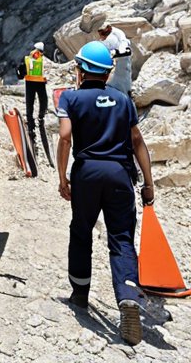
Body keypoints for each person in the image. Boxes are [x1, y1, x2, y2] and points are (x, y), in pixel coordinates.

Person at [57, 40, 154, 346]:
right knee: (122, 238)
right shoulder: (123, 100)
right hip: (120, 176)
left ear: (81, 69)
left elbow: (64, 137)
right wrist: (148, 183)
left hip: (86, 173)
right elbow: (137, 141)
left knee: (81, 232)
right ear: (109, 73)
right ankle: (127, 296)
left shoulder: (70, 99)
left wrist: (62, 177)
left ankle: (80, 294)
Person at [19, 40, 49, 148]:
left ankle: (30, 122)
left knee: (29, 102)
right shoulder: (40, 57)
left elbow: (22, 69)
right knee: (43, 100)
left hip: (29, 82)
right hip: (39, 82)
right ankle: (41, 116)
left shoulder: (28, 58)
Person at [98, 23, 133, 95]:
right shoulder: (104, 37)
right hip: (112, 62)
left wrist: (118, 52)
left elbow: (124, 43)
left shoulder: (117, 33)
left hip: (122, 59)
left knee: (123, 78)